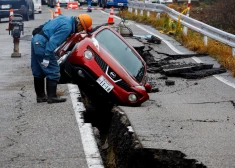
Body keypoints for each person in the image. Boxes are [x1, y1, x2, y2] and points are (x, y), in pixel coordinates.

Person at [31, 14, 92, 104]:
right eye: (82, 28)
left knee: (38, 71)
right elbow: (53, 42)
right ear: (79, 24)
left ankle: (40, 96)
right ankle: (52, 97)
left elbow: (49, 22)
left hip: (36, 39)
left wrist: (40, 28)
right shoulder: (67, 28)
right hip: (43, 43)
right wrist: (47, 56)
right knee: (54, 70)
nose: (80, 31)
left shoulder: (65, 18)